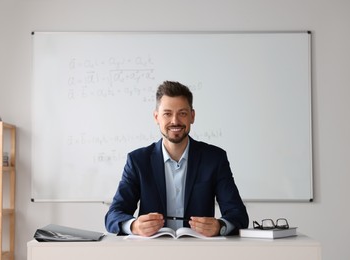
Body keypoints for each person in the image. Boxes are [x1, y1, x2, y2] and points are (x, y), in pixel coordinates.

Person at [105, 81, 248, 237]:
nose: (175, 121)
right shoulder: (138, 161)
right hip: (151, 252)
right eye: (167, 113)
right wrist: (134, 226)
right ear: (156, 117)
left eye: (182, 113)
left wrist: (220, 226)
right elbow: (113, 215)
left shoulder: (214, 158)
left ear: (192, 116)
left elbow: (238, 215)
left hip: (200, 252)